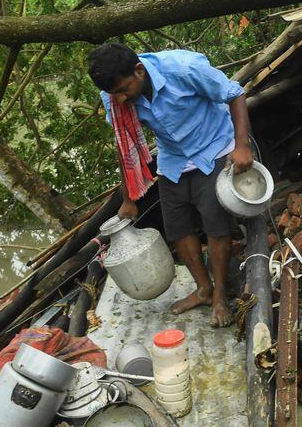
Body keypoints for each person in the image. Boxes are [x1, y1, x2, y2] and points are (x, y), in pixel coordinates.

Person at [88, 43, 253, 327]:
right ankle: (203, 289)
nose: (122, 99)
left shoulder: (184, 68)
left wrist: (241, 146)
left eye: (124, 89)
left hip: (213, 148)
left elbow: (235, 95)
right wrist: (129, 198)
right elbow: (123, 144)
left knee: (215, 227)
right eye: (115, 93)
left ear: (139, 70)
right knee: (177, 228)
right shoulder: (113, 97)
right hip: (173, 160)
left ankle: (220, 297)